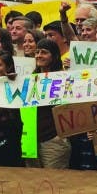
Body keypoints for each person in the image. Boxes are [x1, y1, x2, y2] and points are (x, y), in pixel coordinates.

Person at [30, 39, 70, 168]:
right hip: (31, 140)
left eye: (44, 52)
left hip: (54, 140)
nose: (39, 55)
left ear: (54, 56)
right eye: (37, 52)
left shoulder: (63, 78)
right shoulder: (30, 79)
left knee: (53, 183)